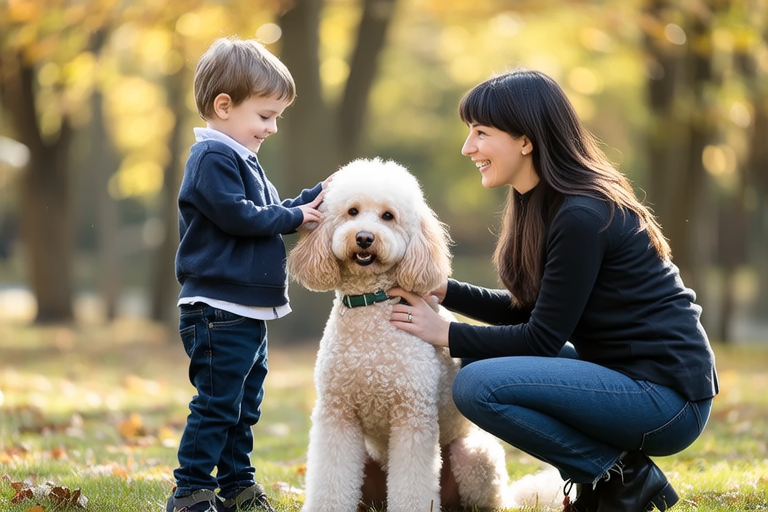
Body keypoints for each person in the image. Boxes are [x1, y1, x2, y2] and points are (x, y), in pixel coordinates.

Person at [387, 68, 718, 512]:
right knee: (480, 359)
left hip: (666, 399)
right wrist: (442, 290)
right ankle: (612, 478)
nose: (469, 148)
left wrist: (444, 333)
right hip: (625, 377)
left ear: (525, 140)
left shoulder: (582, 213)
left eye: (481, 132)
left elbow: (541, 339)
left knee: (476, 385)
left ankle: (620, 477)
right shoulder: (543, 203)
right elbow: (533, 312)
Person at [168, 37, 331, 512]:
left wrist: (316, 196)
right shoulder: (212, 159)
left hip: (244, 311)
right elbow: (241, 217)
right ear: (224, 106)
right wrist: (296, 219)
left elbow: (268, 211)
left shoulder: (240, 158)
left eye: (276, 116)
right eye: (265, 115)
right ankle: (191, 491)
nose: (272, 127)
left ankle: (237, 484)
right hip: (218, 310)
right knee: (218, 403)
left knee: (245, 404)